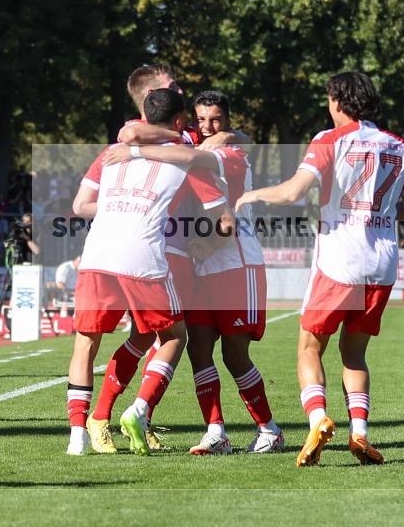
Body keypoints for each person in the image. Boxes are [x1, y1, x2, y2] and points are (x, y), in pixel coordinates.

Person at [235, 72, 404, 467]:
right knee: (354, 354)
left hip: (340, 259)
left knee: (309, 347)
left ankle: (318, 419)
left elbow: (291, 192)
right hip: (383, 262)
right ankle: (359, 434)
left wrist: (248, 195)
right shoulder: (399, 145)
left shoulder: (329, 140)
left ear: (338, 101)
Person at [103, 90, 284, 455]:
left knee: (235, 355)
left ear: (228, 120)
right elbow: (138, 132)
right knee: (198, 349)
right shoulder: (200, 148)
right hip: (202, 266)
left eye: (215, 120)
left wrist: (134, 152)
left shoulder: (229, 155)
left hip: (237, 263)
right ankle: (216, 432)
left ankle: (270, 430)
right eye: (200, 120)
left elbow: (186, 155)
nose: (207, 126)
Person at [81, 65, 249, 455]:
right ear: (154, 96)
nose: (199, 118)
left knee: (149, 336)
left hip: (164, 247)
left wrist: (221, 136)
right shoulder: (163, 135)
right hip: (164, 249)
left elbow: (239, 138)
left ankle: (120, 417)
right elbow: (131, 133)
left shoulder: (186, 138)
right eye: (174, 87)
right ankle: (120, 415)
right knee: (171, 336)